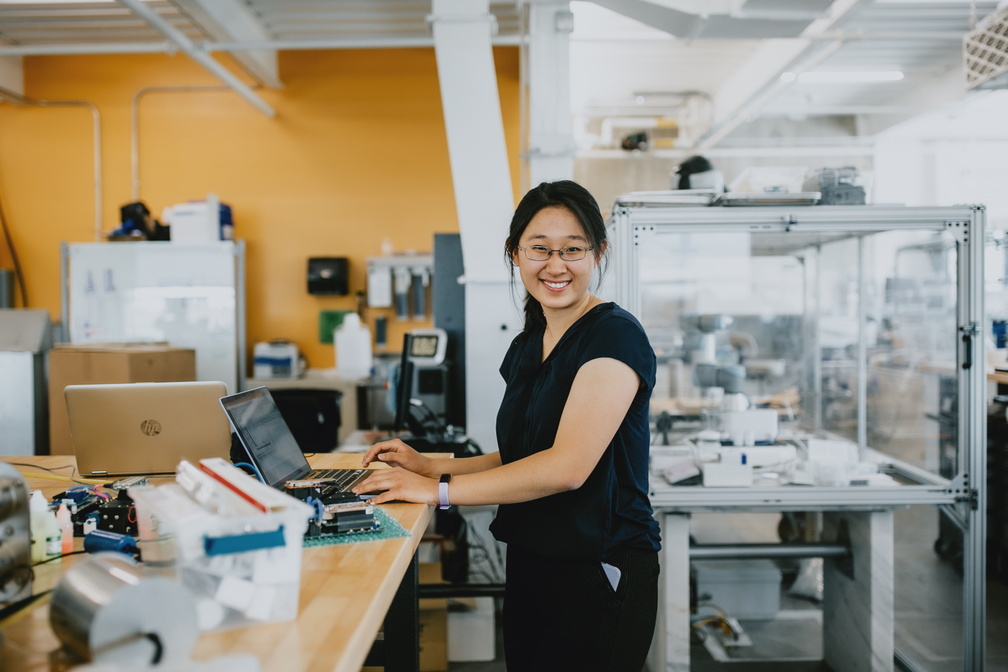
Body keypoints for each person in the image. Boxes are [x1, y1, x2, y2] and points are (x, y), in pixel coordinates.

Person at [354, 180, 661, 672]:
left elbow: (565, 468)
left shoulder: (614, 337)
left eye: (573, 249)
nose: (555, 266)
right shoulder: (528, 344)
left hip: (598, 566)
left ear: (598, 253)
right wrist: (430, 468)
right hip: (533, 558)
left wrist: (438, 492)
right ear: (515, 253)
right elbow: (526, 454)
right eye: (539, 248)